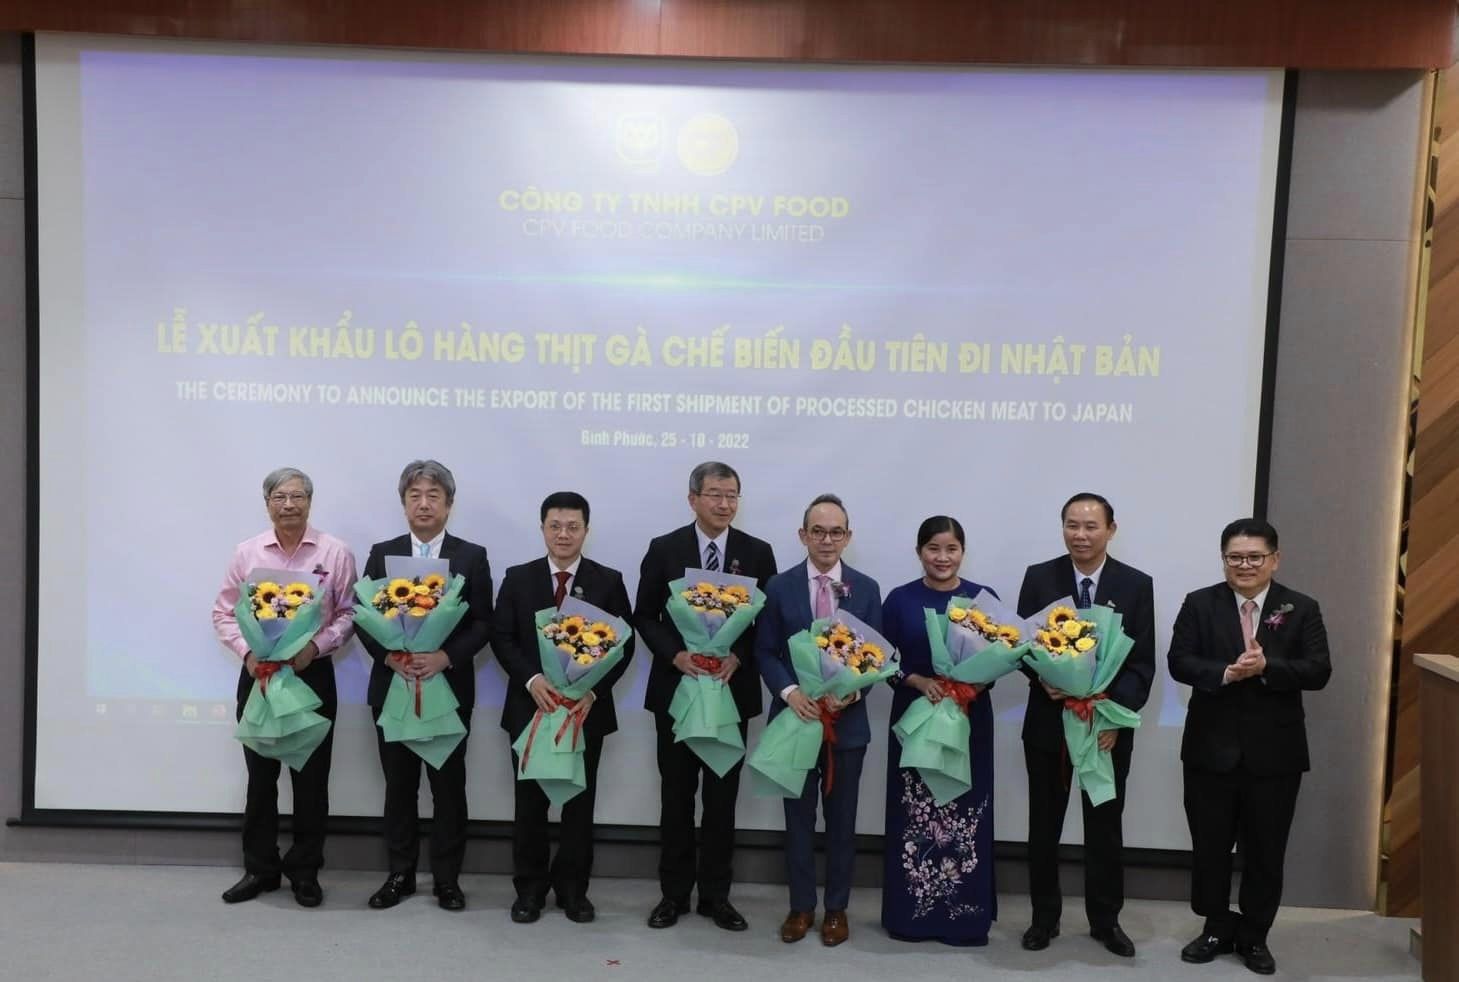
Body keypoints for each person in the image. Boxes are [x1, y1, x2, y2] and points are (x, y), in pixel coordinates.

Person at [1170, 518, 1330, 976]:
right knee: (1210, 847)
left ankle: (1255, 935)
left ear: (1275, 560)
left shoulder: (1301, 607)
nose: (1244, 565)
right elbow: (1179, 661)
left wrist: (1267, 667)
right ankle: (1216, 927)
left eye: (1254, 557)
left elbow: (1318, 670)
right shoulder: (1200, 603)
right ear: (1224, 560)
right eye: (1234, 557)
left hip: (1275, 755)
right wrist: (1225, 673)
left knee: (1266, 850)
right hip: (1209, 750)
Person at [635, 461, 777, 932]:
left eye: (732, 495)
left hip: (729, 694)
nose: (724, 503)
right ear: (693, 498)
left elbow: (766, 623)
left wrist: (739, 655)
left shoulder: (757, 552)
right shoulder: (664, 548)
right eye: (715, 494)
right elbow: (644, 615)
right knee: (676, 797)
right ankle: (673, 895)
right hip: (678, 692)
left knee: (721, 800)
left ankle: (717, 896)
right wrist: (675, 655)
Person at [212, 467, 357, 907]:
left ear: (310, 502)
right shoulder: (247, 552)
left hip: (311, 672)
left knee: (311, 781)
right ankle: (260, 868)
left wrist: (315, 646)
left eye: (297, 496)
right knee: (261, 779)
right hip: (259, 674)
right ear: (267, 504)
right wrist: (248, 653)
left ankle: (305, 871)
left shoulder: (335, 552)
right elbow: (223, 612)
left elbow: (349, 613)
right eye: (279, 497)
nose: (289, 504)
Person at [1017, 492, 1154, 957]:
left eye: (1091, 526)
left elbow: (1141, 663)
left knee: (1104, 827)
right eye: (1072, 525)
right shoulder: (1039, 577)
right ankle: (1043, 918)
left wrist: (1109, 712)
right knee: (1044, 825)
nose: (1081, 534)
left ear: (1111, 530)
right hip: (1048, 723)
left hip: (1106, 728)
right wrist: (1043, 678)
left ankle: (1106, 921)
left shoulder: (1135, 585)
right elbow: (1021, 647)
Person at [356, 460, 493, 912]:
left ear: (449, 504)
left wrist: (444, 656)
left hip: (446, 690)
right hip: (394, 688)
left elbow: (483, 622)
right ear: (403, 503)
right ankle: (400, 874)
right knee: (399, 787)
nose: (424, 503)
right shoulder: (382, 553)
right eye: (414, 495)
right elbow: (362, 616)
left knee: (448, 788)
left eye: (434, 495)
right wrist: (389, 657)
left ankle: (447, 880)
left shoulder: (471, 556)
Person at [494, 491, 634, 925]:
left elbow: (624, 646)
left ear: (586, 531)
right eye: (555, 526)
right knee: (530, 806)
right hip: (530, 708)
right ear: (542, 529)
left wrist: (592, 692)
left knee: (578, 805)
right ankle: (529, 890)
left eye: (573, 527)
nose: (563, 534)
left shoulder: (608, 580)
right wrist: (532, 680)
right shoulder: (518, 578)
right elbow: (503, 637)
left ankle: (574, 890)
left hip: (584, 712)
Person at [757, 493, 883, 947]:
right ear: (803, 535)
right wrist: (791, 693)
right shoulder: (779, 586)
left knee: (842, 822)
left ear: (848, 537)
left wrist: (854, 691)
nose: (827, 540)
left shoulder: (866, 588)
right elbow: (765, 651)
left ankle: (836, 909)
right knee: (797, 821)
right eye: (818, 531)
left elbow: (878, 655)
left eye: (836, 532)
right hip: (795, 720)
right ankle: (801, 907)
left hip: (846, 726)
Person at [880, 516, 998, 946]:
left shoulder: (983, 598)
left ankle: (964, 918)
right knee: (915, 815)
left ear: (963, 551)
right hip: (917, 717)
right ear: (919, 552)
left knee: (964, 813)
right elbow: (881, 659)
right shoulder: (899, 599)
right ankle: (911, 917)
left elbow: (1003, 655)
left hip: (969, 719)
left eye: (951, 549)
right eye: (933, 548)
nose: (942, 557)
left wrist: (973, 684)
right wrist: (916, 680)